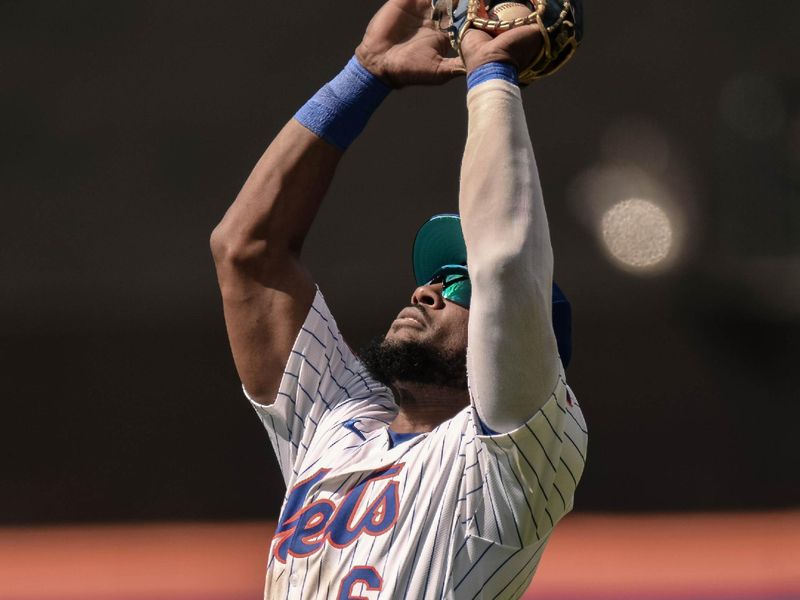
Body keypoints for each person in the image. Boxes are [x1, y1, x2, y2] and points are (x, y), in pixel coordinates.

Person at [210, 0, 587, 597]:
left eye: (458, 284)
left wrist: (491, 74)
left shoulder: (514, 458)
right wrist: (364, 75)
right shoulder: (337, 423)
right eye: (434, 277)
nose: (427, 290)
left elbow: (509, 264)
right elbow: (247, 252)